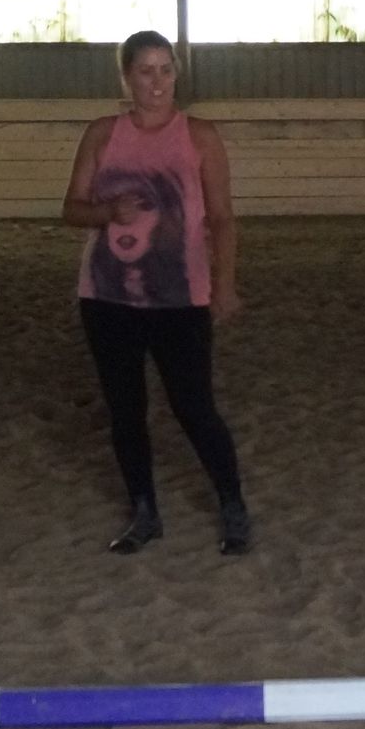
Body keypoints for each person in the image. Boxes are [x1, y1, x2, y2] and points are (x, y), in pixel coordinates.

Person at [62, 30, 253, 557]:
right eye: (145, 71)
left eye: (166, 69)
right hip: (106, 296)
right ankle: (143, 510)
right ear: (126, 77)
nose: (157, 82)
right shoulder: (102, 135)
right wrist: (106, 214)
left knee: (194, 407)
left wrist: (225, 283)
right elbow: (71, 208)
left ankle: (232, 504)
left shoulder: (200, 136)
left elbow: (221, 217)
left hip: (180, 296)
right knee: (126, 411)